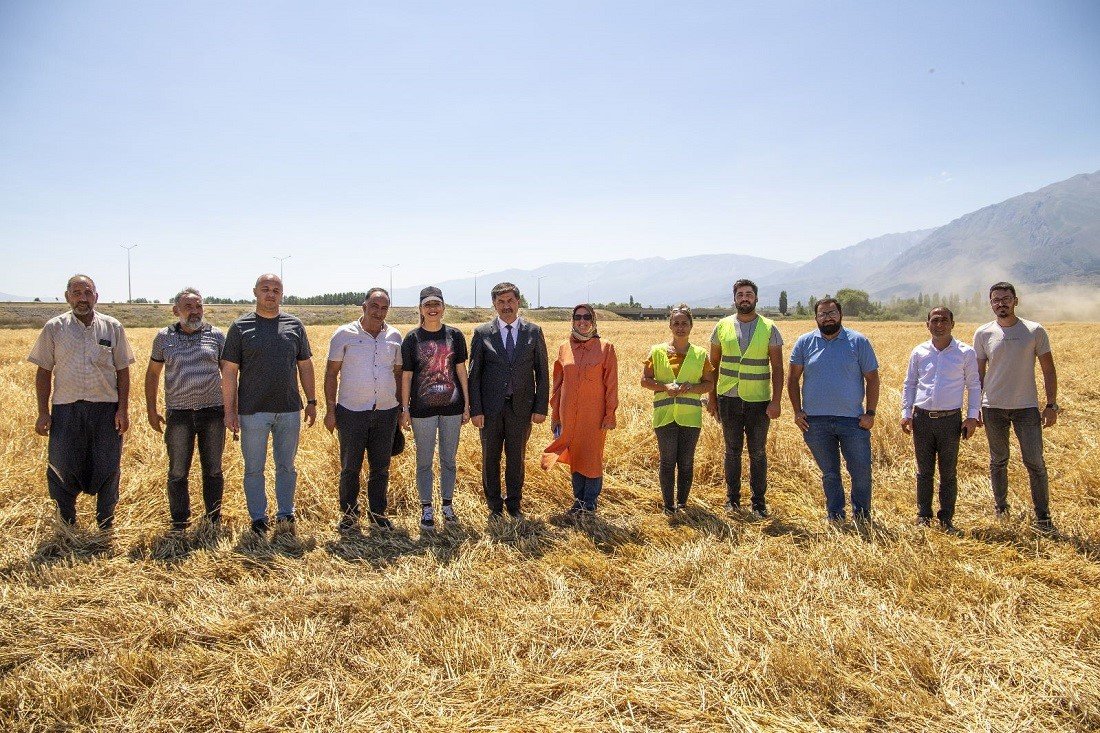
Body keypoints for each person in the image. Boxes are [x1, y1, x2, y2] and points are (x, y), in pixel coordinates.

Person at [28, 274, 135, 530]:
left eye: (87, 293)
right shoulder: (54, 328)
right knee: (62, 465)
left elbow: (123, 370)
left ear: (96, 297)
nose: (82, 298)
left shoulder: (112, 327)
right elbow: (43, 371)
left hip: (105, 410)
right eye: (76, 293)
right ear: (68, 297)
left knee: (108, 465)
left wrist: (122, 409)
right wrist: (43, 412)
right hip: (66, 410)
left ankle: (106, 521)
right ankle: (67, 523)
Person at [221, 273, 316, 535]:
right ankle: (258, 517)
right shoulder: (240, 327)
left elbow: (305, 366)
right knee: (254, 468)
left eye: (276, 289)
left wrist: (311, 401)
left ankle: (286, 513)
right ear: (255, 292)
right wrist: (229, 411)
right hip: (252, 412)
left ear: (282, 294)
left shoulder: (294, 325)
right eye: (265, 289)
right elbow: (229, 371)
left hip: (288, 409)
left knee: (286, 466)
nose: (270, 294)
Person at [973, 282, 1058, 531]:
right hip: (993, 408)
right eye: (996, 299)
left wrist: (1051, 404)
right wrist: (974, 407)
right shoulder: (983, 333)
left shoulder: (1034, 331)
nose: (1001, 303)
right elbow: (978, 374)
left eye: (1006, 298)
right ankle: (1001, 509)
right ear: (990, 303)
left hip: (1027, 408)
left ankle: (1043, 517)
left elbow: (1048, 369)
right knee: (998, 460)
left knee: (1035, 462)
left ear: (1015, 301)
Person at [788, 298, 880, 523]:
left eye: (831, 313)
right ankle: (835, 514)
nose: (827, 317)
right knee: (830, 474)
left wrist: (870, 413)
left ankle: (862, 516)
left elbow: (873, 379)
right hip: (815, 422)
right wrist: (797, 411)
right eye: (822, 314)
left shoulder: (858, 342)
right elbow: (792, 379)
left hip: (853, 421)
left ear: (840, 315)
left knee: (860, 473)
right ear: (816, 318)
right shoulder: (804, 343)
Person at [145, 287, 227, 531]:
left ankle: (213, 519)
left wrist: (232, 410)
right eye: (188, 307)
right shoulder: (163, 338)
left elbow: (229, 374)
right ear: (175, 310)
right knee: (178, 471)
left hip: (213, 412)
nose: (194, 311)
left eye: (198, 306)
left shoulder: (217, 336)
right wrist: (151, 409)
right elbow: (152, 375)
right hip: (178, 415)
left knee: (213, 469)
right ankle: (180, 521)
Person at [468, 282, 549, 520]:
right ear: (494, 304)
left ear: (518, 302)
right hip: (490, 409)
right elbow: (475, 375)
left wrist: (540, 407)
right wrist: (476, 409)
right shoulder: (482, 333)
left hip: (521, 408)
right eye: (501, 302)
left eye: (510, 301)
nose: (506, 306)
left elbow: (542, 373)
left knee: (517, 458)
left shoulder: (533, 332)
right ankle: (494, 506)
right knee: (490, 457)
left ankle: (514, 504)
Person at [324, 288, 403, 532]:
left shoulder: (394, 336)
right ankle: (349, 515)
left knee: (381, 467)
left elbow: (399, 375)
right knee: (350, 467)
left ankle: (378, 514)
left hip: (386, 412)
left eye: (384, 308)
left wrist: (400, 408)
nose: (379, 312)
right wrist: (330, 410)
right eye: (374, 306)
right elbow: (330, 374)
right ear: (364, 306)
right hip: (351, 412)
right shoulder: (344, 335)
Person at [707, 279, 784, 518]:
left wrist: (777, 400)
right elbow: (713, 366)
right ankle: (732, 501)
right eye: (740, 294)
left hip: (759, 400)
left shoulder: (769, 327)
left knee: (758, 452)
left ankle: (758, 503)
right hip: (728, 398)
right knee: (732, 451)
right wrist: (712, 398)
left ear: (756, 299)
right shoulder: (722, 326)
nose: (744, 298)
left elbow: (778, 368)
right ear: (734, 299)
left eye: (749, 294)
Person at [900, 307, 981, 533]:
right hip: (922, 418)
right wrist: (906, 413)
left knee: (948, 472)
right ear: (927, 324)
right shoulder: (919, 352)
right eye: (935, 320)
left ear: (952, 324)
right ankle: (923, 516)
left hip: (950, 420)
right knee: (924, 471)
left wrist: (972, 417)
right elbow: (910, 384)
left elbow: (974, 386)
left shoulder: (966, 353)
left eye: (944, 320)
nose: (939, 324)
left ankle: (946, 519)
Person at [399, 287, 470, 531]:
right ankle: (426, 507)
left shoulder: (455, 336)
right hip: (421, 410)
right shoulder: (412, 339)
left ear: (443, 307)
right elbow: (407, 376)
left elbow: (461, 371)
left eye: (436, 304)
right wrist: (405, 408)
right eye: (427, 305)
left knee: (449, 459)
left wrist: (467, 404)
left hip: (452, 407)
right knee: (424, 461)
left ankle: (448, 505)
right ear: (420, 309)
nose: (432, 309)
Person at [541, 304, 619, 515]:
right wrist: (556, 415)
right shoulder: (564, 348)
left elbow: (611, 384)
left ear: (593, 320)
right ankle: (578, 501)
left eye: (587, 317)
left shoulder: (606, 348)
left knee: (591, 456)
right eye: (578, 317)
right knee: (575, 455)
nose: (582, 321)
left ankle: (590, 502)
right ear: (572, 320)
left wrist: (610, 413)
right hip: (568, 413)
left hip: (594, 414)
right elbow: (557, 385)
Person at [642, 304, 714, 515]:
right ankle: (668, 505)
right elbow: (644, 380)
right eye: (676, 323)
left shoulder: (700, 354)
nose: (680, 327)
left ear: (691, 326)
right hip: (664, 416)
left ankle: (682, 503)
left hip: (690, 418)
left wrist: (691, 388)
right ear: (670, 325)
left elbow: (709, 384)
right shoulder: (657, 351)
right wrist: (664, 386)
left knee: (685, 462)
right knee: (667, 461)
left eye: (684, 323)